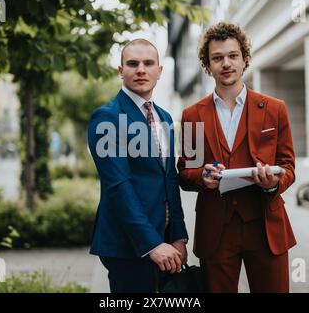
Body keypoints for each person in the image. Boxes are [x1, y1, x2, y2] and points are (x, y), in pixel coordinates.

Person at [177, 22, 296, 293]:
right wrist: (203, 178)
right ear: (207, 65)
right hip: (216, 229)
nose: (226, 63)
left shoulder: (275, 110)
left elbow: (288, 166)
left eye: (232, 55)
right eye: (217, 58)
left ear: (244, 59)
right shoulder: (192, 116)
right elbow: (185, 172)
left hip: (266, 225)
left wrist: (272, 183)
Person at [88, 39, 188, 293]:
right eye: (132, 64)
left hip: (165, 240)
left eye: (148, 63)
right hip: (129, 245)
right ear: (121, 70)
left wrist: (178, 235)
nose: (141, 69)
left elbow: (170, 179)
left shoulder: (164, 118)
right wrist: (151, 244)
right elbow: (118, 186)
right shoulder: (107, 117)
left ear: (159, 70)